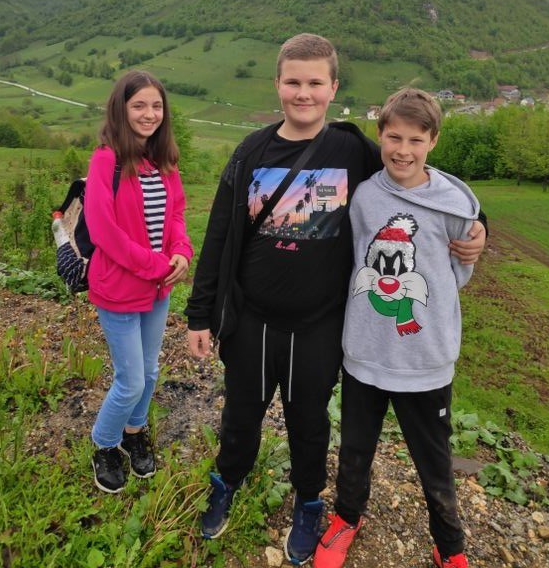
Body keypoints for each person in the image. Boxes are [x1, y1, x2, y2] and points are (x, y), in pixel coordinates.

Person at [185, 34, 485, 565]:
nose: (303, 93)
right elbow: (218, 235)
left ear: (333, 88)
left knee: (309, 423)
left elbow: (416, 176)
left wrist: (480, 222)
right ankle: (226, 481)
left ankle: (308, 503)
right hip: (252, 320)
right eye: (293, 82)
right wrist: (199, 314)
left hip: (320, 325)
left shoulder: (351, 150)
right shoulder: (250, 151)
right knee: (241, 414)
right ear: (277, 84)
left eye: (314, 83)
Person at [313, 87, 480, 568]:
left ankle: (449, 545)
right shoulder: (365, 196)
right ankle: (347, 517)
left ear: (433, 141)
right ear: (380, 135)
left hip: (426, 360)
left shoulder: (454, 204)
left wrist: (479, 233)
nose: (403, 150)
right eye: (393, 137)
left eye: (415, 140)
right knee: (355, 448)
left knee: (434, 461)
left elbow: (458, 272)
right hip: (365, 353)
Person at [84, 70, 193, 494]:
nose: (149, 114)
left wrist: (181, 250)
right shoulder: (106, 159)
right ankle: (104, 443)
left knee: (149, 371)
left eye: (156, 106)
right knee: (130, 379)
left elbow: (176, 213)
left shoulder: (163, 159)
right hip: (118, 288)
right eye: (139, 106)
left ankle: (134, 431)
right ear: (121, 109)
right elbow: (103, 231)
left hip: (158, 288)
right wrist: (154, 264)